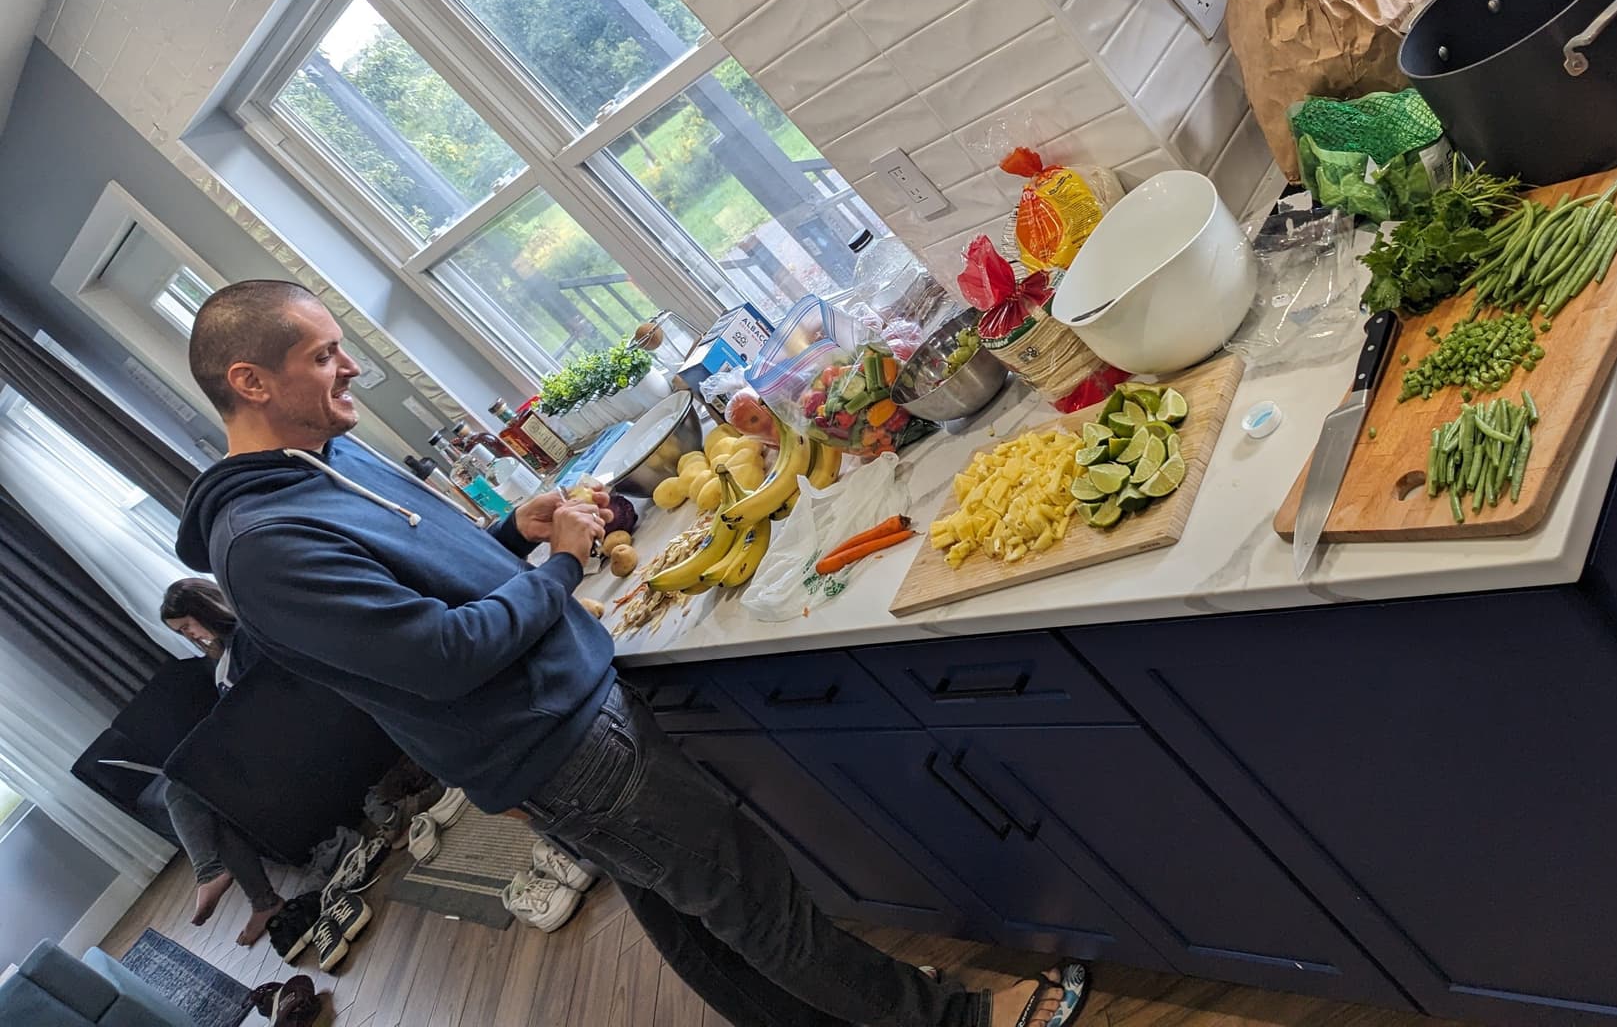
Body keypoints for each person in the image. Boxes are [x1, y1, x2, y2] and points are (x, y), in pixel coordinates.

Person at [175, 281, 1087, 1027]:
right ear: (252, 381)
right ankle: (961, 1025)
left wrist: (507, 532)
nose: (350, 368)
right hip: (556, 747)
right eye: (324, 355)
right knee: (754, 900)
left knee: (694, 921)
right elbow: (442, 655)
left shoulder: (322, 456)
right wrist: (565, 561)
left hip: (561, 723)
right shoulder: (266, 543)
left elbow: (416, 579)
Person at [158, 577, 284, 945]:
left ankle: (214, 874)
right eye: (181, 632)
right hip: (259, 747)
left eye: (187, 626)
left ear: (204, 608)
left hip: (278, 750)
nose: (190, 635)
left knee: (178, 794)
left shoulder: (246, 639)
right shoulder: (225, 653)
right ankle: (262, 901)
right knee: (200, 803)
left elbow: (262, 704)